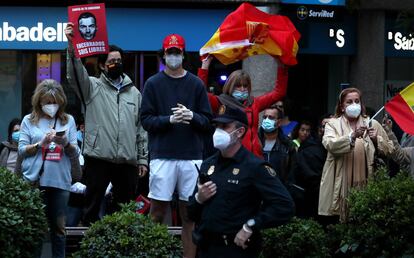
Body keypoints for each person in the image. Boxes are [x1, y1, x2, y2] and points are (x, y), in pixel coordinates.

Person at [65, 23, 148, 225]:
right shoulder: (92, 87)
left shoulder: (134, 93)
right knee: (91, 210)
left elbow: (141, 128)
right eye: (111, 61)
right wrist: (71, 45)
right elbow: (74, 75)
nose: (116, 64)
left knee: (125, 213)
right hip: (98, 159)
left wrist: (143, 158)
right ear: (102, 65)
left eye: (119, 60)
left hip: (127, 161)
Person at [187, 105, 295, 258]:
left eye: (225, 126)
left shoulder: (254, 166)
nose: (218, 131)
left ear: (239, 132)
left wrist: (251, 225)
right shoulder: (208, 164)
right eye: (217, 126)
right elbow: (191, 213)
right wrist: (199, 198)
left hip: (236, 249)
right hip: (206, 248)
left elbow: (285, 206)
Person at [140, 34, 212, 258]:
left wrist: (192, 116)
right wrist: (168, 120)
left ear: (183, 54)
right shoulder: (153, 83)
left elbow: (207, 121)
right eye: (170, 52)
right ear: (163, 55)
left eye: (177, 52)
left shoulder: (196, 84)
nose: (173, 56)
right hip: (162, 155)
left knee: (189, 214)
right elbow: (146, 120)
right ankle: (154, 254)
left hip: (191, 156)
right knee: (157, 211)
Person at [18, 79, 81, 258]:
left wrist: (65, 142)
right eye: (47, 102)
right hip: (35, 181)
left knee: (59, 230)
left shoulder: (68, 120)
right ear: (39, 101)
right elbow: (22, 151)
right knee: (36, 228)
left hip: (60, 181)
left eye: (55, 102)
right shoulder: (28, 121)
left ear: (60, 101)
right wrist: (40, 144)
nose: (51, 106)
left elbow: (75, 151)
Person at [319, 87, 393, 222]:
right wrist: (352, 136)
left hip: (366, 179)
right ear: (342, 107)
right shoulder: (332, 124)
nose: (354, 105)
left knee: (364, 217)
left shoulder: (372, 123)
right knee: (341, 221)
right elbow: (330, 144)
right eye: (349, 102)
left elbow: (390, 149)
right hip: (341, 181)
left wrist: (377, 139)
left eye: (357, 101)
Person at [198, 55, 288, 157]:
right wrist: (204, 67)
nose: (242, 89)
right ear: (230, 86)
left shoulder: (254, 102)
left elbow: (279, 93)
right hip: (232, 158)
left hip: (255, 157)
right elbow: (201, 92)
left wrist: (281, 66)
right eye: (238, 85)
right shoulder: (221, 102)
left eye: (245, 86)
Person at [291, 118, 328, 219]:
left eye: (307, 130)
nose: (305, 133)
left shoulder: (313, 147)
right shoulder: (292, 145)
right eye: (302, 130)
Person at [258, 105, 296, 184]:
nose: (266, 120)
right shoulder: (254, 141)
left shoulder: (287, 145)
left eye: (271, 118)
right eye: (265, 117)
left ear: (279, 122)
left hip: (279, 189)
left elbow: (292, 173)